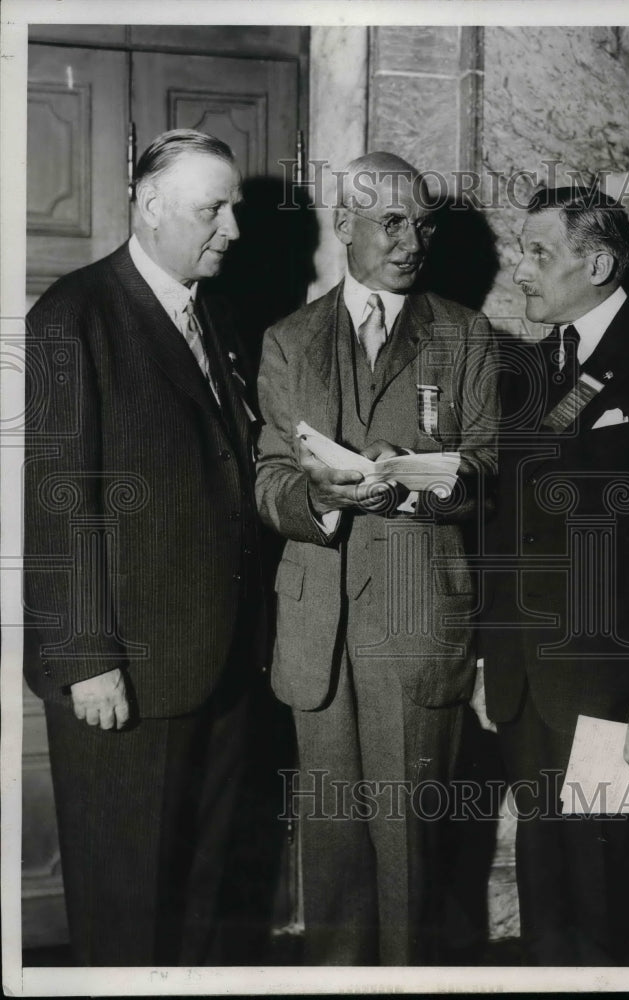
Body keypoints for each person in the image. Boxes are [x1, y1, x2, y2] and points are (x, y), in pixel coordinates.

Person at [24, 129, 262, 966]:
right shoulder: (73, 315)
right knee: (127, 911)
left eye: (232, 206)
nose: (232, 228)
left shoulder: (215, 314)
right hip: (123, 669)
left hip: (220, 666)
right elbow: (59, 502)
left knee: (201, 893)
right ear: (152, 207)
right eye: (213, 209)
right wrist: (88, 655)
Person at [473, 186, 629, 965]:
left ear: (600, 262)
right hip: (525, 692)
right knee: (550, 902)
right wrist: (490, 657)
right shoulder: (525, 371)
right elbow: (504, 528)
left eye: (539, 254)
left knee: (621, 905)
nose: (520, 271)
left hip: (623, 698)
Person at [255, 151, 499, 965]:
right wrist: (321, 497)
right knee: (329, 851)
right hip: (315, 629)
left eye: (422, 224)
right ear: (346, 223)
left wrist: (418, 482)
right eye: (392, 223)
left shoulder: (464, 333)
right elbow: (269, 479)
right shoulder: (289, 339)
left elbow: (489, 474)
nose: (411, 242)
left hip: (416, 618)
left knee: (411, 848)